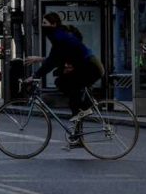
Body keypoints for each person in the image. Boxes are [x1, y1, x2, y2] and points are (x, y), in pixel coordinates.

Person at [24, 12, 104, 148]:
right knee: (75, 103)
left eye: (45, 23)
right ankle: (78, 138)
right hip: (85, 65)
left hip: (92, 66)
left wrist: (35, 76)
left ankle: (87, 107)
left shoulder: (59, 37)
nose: (43, 26)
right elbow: (56, 57)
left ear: (54, 24)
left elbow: (54, 60)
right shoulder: (58, 36)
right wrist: (40, 60)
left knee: (63, 84)